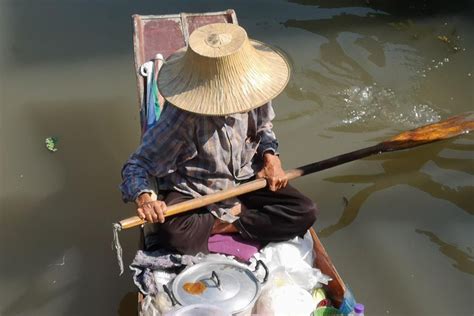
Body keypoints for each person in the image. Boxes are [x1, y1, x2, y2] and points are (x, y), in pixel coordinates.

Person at [120, 23, 317, 255]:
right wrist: (145, 200)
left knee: (305, 211)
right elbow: (136, 166)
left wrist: (271, 158)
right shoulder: (182, 117)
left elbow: (264, 129)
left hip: (245, 177)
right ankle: (238, 219)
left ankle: (228, 222)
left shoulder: (255, 89)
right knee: (172, 234)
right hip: (197, 189)